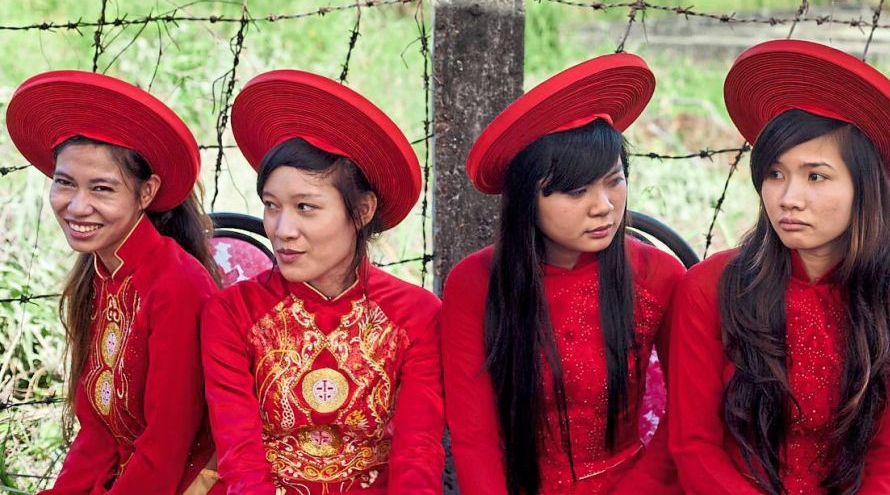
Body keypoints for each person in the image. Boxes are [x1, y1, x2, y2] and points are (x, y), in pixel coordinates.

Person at [669, 39, 890, 495]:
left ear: (863, 189)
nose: (788, 198)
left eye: (816, 176)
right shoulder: (709, 289)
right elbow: (693, 447)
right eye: (775, 174)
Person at [441, 53, 685, 494]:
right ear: (526, 199)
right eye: (576, 191)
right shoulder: (474, 284)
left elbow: (687, 416)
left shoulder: (658, 275)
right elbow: (474, 438)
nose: (604, 206)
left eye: (614, 180)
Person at [200, 70, 443, 493]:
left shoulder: (415, 317)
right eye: (272, 206)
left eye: (306, 207)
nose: (281, 229)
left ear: (363, 210)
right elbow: (240, 459)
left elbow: (417, 454)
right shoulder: (232, 314)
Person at [6, 70, 221, 494]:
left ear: (146, 193)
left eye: (102, 189)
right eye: (64, 183)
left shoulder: (177, 286)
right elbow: (99, 434)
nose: (77, 206)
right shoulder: (101, 273)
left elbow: (165, 451)